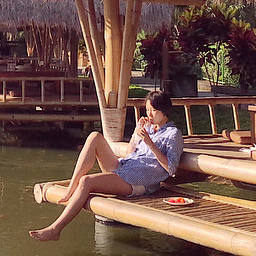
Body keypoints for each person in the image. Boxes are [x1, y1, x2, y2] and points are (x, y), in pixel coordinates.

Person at [29, 90, 184, 242]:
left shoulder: (173, 134)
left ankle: (55, 229)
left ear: (165, 111)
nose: (149, 114)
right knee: (94, 136)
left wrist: (150, 143)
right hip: (125, 167)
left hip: (139, 181)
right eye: (148, 110)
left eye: (154, 111)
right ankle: (71, 186)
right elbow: (131, 153)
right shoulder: (149, 128)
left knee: (86, 181)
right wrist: (136, 134)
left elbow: (171, 168)